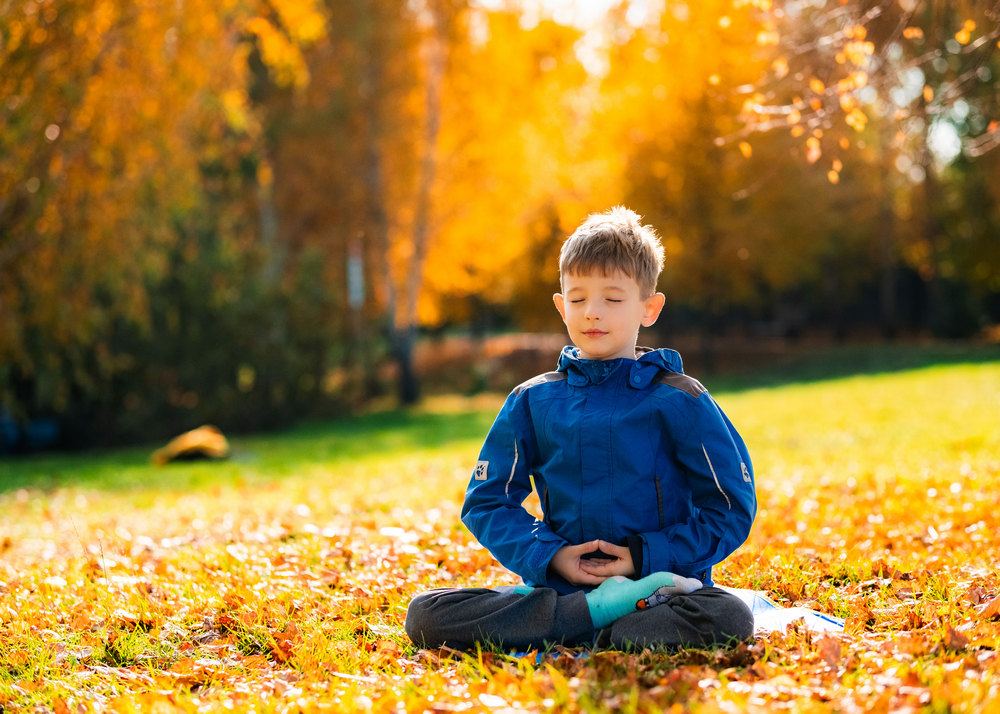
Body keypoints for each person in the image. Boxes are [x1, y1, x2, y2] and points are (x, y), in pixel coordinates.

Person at [405, 206, 756, 651]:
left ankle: (593, 621)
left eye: (612, 299)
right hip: (562, 590)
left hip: (662, 592)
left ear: (649, 308)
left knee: (729, 615)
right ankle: (595, 617)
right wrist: (550, 556)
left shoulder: (681, 399)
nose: (592, 313)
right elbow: (487, 501)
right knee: (425, 613)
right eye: (577, 298)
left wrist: (640, 556)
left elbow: (729, 507)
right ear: (560, 306)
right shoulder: (532, 401)